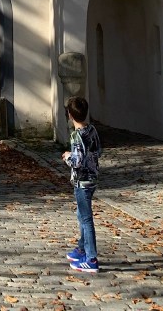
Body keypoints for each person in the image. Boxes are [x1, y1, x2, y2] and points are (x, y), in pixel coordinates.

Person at [60, 95, 101, 273]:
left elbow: (76, 161)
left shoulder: (77, 136)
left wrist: (67, 156)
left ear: (70, 115)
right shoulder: (92, 130)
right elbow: (98, 151)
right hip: (92, 179)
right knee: (81, 215)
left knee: (86, 218)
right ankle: (82, 248)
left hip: (81, 181)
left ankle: (91, 258)